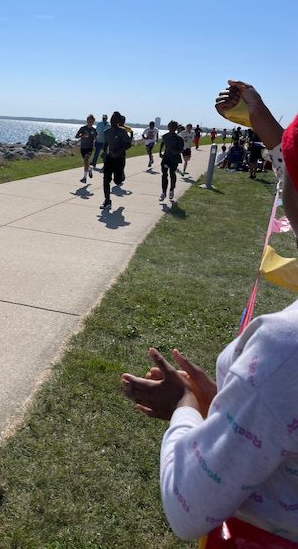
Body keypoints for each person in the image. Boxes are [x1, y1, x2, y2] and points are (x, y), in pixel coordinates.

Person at [122, 80, 298, 546]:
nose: (281, 179)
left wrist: (186, 406)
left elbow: (190, 506)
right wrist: (228, 402)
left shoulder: (287, 350)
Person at [100, 111, 132, 209]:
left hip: (120, 159)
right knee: (106, 180)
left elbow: (128, 144)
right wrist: (103, 152)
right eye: (111, 119)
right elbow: (106, 144)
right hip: (109, 158)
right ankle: (107, 201)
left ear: (118, 121)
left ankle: (121, 175)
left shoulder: (122, 132)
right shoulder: (107, 132)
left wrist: (119, 151)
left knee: (117, 181)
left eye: (114, 119)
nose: (112, 121)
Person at [159, 120, 184, 201]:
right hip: (166, 158)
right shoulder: (165, 136)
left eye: (173, 127)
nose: (171, 128)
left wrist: (175, 152)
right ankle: (163, 192)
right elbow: (163, 143)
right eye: (170, 127)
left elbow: (181, 150)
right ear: (168, 127)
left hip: (174, 159)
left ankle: (172, 189)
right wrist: (160, 152)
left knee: (172, 174)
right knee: (164, 174)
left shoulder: (179, 138)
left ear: (176, 128)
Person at [75, 114, 97, 183]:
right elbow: (76, 136)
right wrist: (82, 135)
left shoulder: (94, 130)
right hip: (83, 147)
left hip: (90, 147)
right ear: (87, 121)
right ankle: (89, 169)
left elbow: (96, 138)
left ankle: (84, 178)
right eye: (89, 121)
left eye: (92, 121)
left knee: (86, 159)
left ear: (93, 122)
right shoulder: (83, 128)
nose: (90, 122)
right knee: (86, 162)